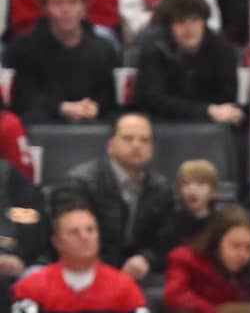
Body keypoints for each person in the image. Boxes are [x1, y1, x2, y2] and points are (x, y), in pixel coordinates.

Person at [52, 113, 176, 282]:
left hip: (139, 272)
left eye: (144, 140)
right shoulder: (79, 183)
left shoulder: (161, 188)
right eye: (128, 138)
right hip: (87, 270)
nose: (136, 145)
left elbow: (166, 239)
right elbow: (74, 238)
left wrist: (146, 258)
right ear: (110, 145)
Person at [5, 0, 119, 126]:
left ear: (84, 7)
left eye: (73, 2)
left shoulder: (103, 48)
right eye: (58, 2)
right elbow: (24, 97)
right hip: (43, 124)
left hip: (93, 122)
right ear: (45, 8)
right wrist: (62, 108)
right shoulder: (24, 48)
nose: (66, 10)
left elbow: (108, 96)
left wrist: (94, 107)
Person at [11, 206, 150, 313]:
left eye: (90, 230)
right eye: (74, 232)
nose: (84, 237)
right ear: (57, 242)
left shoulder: (125, 287)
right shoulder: (31, 288)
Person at [133, 0, 243, 127]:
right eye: (180, 21)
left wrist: (213, 112)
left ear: (204, 21)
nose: (188, 28)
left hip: (212, 124)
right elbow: (153, 99)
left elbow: (227, 96)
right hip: (161, 123)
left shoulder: (222, 49)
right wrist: (206, 110)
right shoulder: (155, 49)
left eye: (194, 20)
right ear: (169, 26)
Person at [162, 203, 250, 313]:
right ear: (216, 242)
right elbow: (175, 296)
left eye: (249, 247)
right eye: (235, 246)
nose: (243, 254)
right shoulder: (185, 259)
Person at [0, 157, 49, 313]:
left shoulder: (7, 174)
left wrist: (17, 254)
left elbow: (31, 217)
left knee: (37, 276)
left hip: (14, 260)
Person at [162, 157, 220, 251]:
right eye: (186, 184)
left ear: (213, 192)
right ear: (179, 191)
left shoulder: (221, 223)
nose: (192, 189)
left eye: (200, 184)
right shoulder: (171, 224)